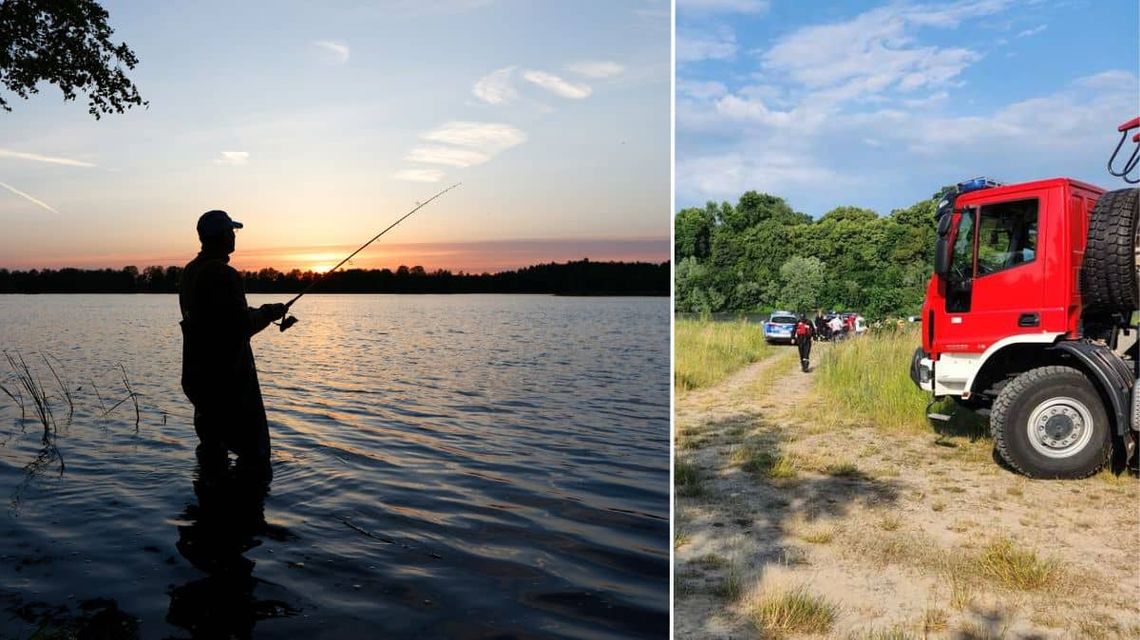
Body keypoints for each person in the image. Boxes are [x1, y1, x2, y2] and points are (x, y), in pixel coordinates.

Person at [179, 210, 287, 480]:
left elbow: (220, 317)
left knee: (212, 449)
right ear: (221, 236)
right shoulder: (225, 275)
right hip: (227, 383)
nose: (234, 236)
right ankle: (243, 515)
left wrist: (261, 311)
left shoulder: (191, 272)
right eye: (231, 231)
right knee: (255, 454)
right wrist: (267, 313)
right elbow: (239, 326)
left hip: (199, 378)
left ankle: (210, 511)